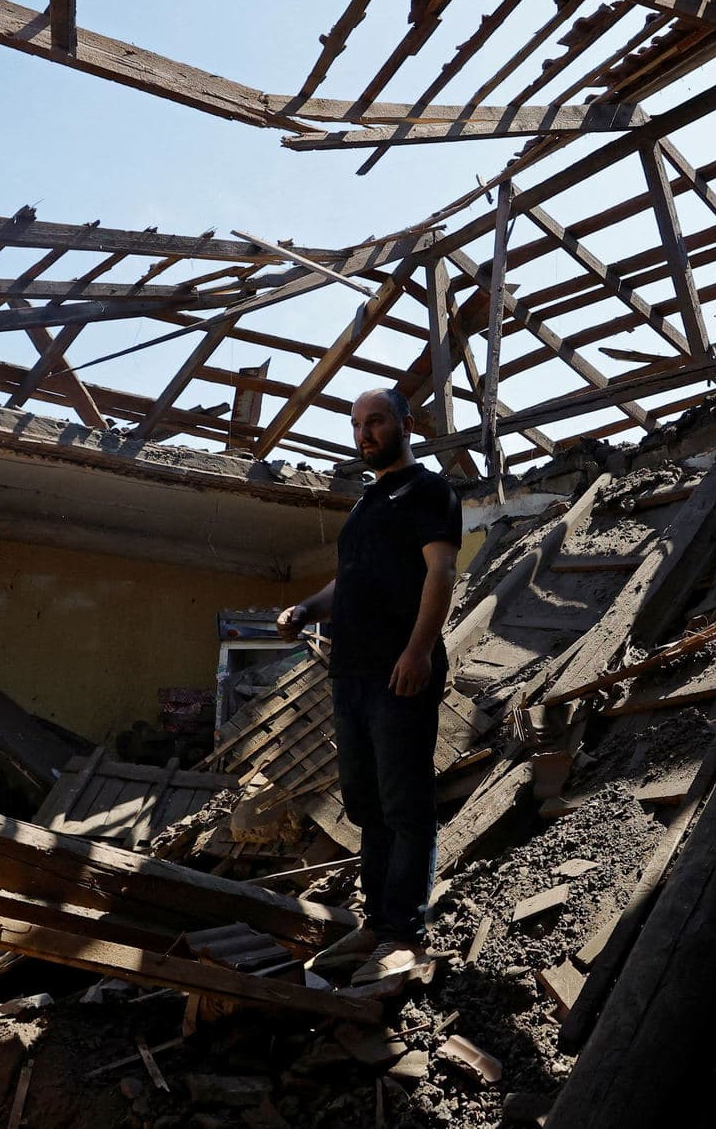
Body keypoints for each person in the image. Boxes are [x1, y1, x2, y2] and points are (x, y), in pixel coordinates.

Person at [278, 388, 461, 984]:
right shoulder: (364, 505)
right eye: (358, 424)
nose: (365, 433)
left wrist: (417, 650)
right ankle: (375, 922)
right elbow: (347, 585)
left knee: (406, 805)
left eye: (377, 421)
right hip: (351, 676)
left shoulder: (428, 491)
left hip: (398, 673)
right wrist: (306, 608)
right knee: (367, 804)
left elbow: (441, 571)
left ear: (405, 424)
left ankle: (403, 935)